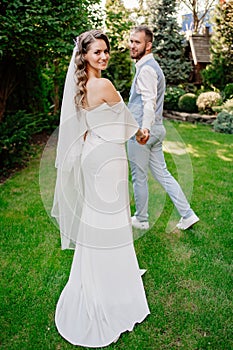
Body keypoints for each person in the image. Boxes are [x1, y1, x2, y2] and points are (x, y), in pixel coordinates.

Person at [51, 29, 150, 347]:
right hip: (108, 159)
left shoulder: (78, 88)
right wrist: (142, 132)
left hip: (92, 157)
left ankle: (96, 280)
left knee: (97, 221)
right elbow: (127, 126)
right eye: (98, 52)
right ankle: (114, 289)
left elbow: (81, 130)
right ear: (85, 56)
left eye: (106, 51)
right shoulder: (104, 85)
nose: (104, 56)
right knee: (114, 222)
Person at [127, 25, 199, 231]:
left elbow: (149, 102)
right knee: (163, 174)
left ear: (148, 46)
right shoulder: (149, 66)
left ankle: (141, 219)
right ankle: (188, 214)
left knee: (138, 177)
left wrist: (144, 129)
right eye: (131, 41)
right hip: (157, 129)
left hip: (144, 132)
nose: (132, 45)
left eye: (137, 42)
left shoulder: (147, 69)